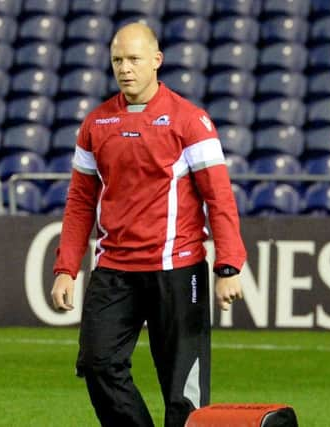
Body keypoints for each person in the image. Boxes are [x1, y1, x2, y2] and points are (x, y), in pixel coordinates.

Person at [50, 23, 247, 427]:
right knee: (97, 362)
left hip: (177, 269)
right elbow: (80, 202)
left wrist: (228, 266)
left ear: (156, 61)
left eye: (134, 59)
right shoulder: (95, 124)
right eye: (117, 60)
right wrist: (66, 267)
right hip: (114, 271)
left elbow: (218, 197)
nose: (125, 68)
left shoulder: (191, 121)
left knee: (183, 392)